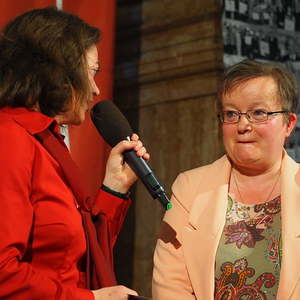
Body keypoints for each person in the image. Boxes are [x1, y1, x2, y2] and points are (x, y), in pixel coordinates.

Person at [0, 7, 149, 300]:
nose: (94, 89)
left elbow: (80, 260)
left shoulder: (47, 142)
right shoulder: (10, 138)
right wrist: (92, 299)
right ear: (58, 72)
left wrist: (114, 190)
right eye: (91, 72)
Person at [152, 59, 300, 299]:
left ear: (288, 124)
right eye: (231, 113)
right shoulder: (189, 188)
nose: (242, 125)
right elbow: (170, 285)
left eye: (258, 113)